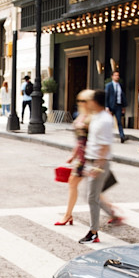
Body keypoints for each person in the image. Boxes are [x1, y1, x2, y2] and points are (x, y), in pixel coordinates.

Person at [78, 89, 123, 244]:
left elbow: (105, 145)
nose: (86, 102)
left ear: (95, 102)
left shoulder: (105, 119)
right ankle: (113, 215)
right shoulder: (96, 117)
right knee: (92, 196)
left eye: (89, 100)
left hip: (98, 162)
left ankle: (93, 232)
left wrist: (97, 166)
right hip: (92, 160)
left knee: (92, 197)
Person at [56, 90, 92, 227]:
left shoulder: (92, 118)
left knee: (90, 190)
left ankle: (67, 215)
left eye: (84, 101)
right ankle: (68, 215)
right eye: (80, 100)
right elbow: (79, 140)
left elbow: (91, 139)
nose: (81, 103)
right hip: (81, 157)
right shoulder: (81, 116)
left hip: (88, 157)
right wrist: (73, 155)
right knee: (76, 184)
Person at [104, 70, 127, 143]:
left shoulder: (120, 85)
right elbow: (106, 96)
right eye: (116, 75)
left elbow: (122, 96)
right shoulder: (109, 85)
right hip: (110, 106)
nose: (117, 77)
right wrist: (106, 107)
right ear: (112, 76)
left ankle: (122, 136)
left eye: (118, 75)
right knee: (109, 122)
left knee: (119, 121)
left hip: (119, 106)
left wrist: (123, 106)